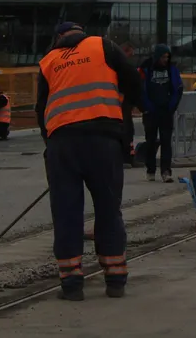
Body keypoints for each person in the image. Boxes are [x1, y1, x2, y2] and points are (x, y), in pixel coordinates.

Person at [36, 22, 143, 301]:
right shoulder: (103, 46)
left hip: (63, 143)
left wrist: (52, 146)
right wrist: (123, 110)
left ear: (58, 38)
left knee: (66, 213)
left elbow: (41, 109)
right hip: (103, 140)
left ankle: (71, 285)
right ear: (81, 33)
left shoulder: (48, 61)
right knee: (108, 209)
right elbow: (133, 80)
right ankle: (115, 280)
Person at [139, 44, 184, 183]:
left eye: (167, 57)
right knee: (151, 141)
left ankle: (166, 171)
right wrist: (146, 107)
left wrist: (171, 106)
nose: (166, 59)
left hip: (166, 111)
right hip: (150, 111)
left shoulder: (171, 69)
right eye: (163, 57)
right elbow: (140, 89)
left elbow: (178, 88)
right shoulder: (146, 68)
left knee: (166, 141)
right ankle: (150, 170)